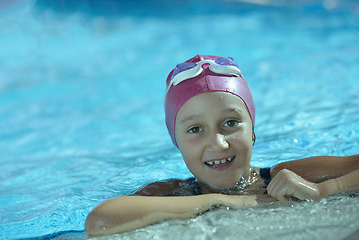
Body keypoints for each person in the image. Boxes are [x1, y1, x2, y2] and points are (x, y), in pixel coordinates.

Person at [85, 55, 359, 236]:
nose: (217, 143)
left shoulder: (282, 176)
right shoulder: (173, 193)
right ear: (176, 143)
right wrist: (224, 202)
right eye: (195, 130)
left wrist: (323, 189)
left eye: (230, 123)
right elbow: (100, 220)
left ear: (252, 130)